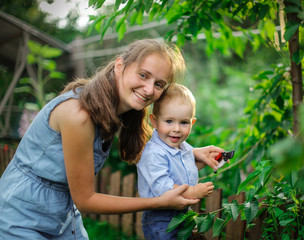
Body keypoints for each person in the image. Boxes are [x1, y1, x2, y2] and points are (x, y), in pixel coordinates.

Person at [0, 39, 223, 239]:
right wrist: (160, 201)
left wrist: (191, 153)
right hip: (20, 214)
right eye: (143, 75)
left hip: (62, 213)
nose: (148, 89)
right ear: (119, 66)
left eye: (158, 84)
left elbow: (153, 156)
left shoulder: (121, 110)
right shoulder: (80, 115)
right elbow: (85, 199)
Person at [137, 83, 214, 239]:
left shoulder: (183, 147)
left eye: (184, 122)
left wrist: (204, 160)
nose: (177, 129)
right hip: (160, 218)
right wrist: (193, 192)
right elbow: (163, 187)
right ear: (154, 121)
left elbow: (183, 168)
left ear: (192, 123)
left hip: (181, 213)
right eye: (169, 121)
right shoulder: (154, 153)